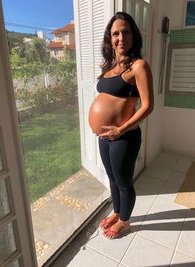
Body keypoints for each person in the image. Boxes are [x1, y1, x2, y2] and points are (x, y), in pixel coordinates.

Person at [88, 11, 154, 239]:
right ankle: (117, 212)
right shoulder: (109, 67)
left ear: (133, 35)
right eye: (115, 33)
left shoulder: (138, 66)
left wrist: (120, 129)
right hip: (105, 137)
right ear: (110, 38)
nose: (120, 37)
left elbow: (147, 106)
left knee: (124, 181)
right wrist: (98, 124)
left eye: (125, 32)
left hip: (124, 136)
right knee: (112, 178)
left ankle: (125, 221)